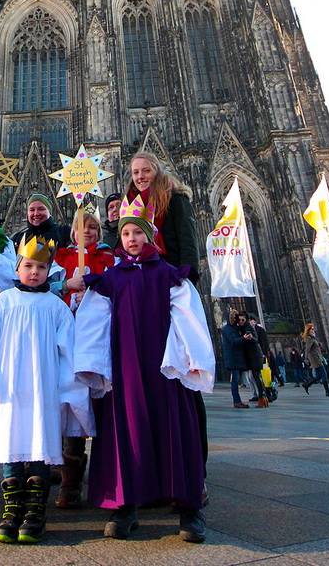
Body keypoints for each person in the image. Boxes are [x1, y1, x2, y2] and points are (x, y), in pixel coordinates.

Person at [74, 209, 214, 543]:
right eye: (126, 235)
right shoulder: (110, 279)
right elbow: (94, 324)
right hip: (126, 370)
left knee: (175, 430)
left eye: (138, 234)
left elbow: (187, 318)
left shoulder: (170, 276)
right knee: (127, 432)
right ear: (120, 240)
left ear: (149, 238)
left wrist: (192, 358)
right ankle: (125, 506)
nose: (132, 240)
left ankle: (189, 509)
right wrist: (93, 364)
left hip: (166, 367)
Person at [0, 232, 93, 544]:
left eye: (41, 268)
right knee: (11, 451)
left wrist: (71, 392)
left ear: (49, 272)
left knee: (40, 453)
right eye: (28, 266)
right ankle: (11, 510)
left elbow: (69, 353)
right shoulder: (3, 303)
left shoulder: (56, 307)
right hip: (10, 391)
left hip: (43, 392)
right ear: (16, 268)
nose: (33, 272)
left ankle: (34, 512)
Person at [122, 152, 208, 497]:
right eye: (136, 172)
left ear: (157, 171)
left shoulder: (175, 198)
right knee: (153, 380)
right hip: (143, 294)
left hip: (171, 288)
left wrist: (186, 278)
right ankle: (157, 466)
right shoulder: (131, 203)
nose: (141, 176)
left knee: (183, 377)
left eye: (146, 171)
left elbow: (187, 243)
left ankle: (195, 467)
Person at [53, 208, 115, 509]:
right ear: (73, 233)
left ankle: (109, 478)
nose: (87, 231)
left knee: (105, 411)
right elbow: (43, 287)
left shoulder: (108, 259)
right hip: (69, 344)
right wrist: (67, 286)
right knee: (72, 408)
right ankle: (71, 481)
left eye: (92, 227)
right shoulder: (61, 259)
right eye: (81, 227)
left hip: (99, 344)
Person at [221, 310, 249, 408]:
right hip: (233, 359)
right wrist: (243, 338)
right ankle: (236, 401)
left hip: (237, 358)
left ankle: (237, 401)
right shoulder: (226, 329)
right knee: (235, 381)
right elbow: (233, 341)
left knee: (237, 380)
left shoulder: (236, 328)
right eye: (236, 317)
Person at [302, 323, 329, 397]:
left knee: (318, 376)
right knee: (324, 374)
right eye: (312, 329)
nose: (314, 330)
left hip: (317, 358)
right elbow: (307, 349)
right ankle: (327, 392)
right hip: (315, 359)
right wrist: (306, 359)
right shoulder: (309, 338)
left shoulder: (312, 338)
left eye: (313, 329)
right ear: (308, 330)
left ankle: (306, 384)